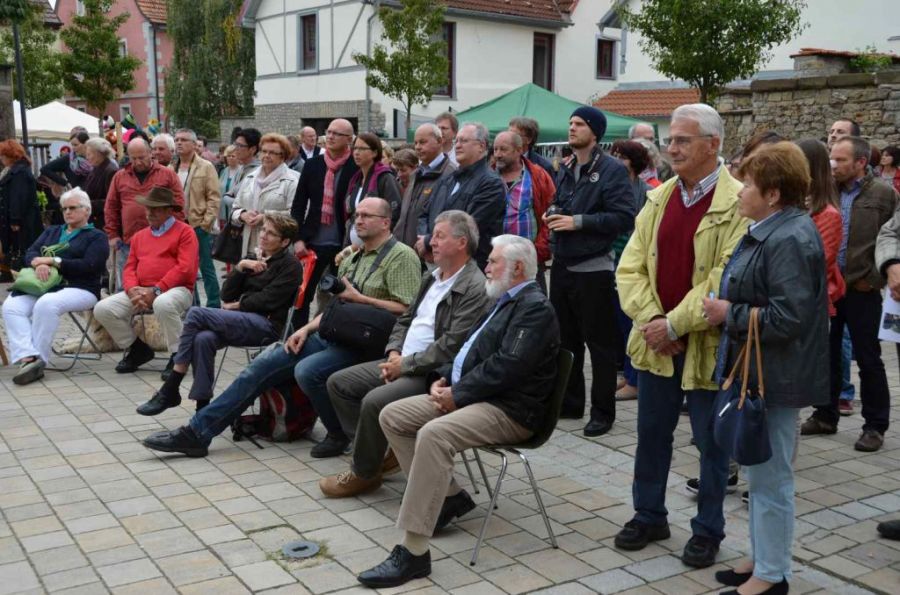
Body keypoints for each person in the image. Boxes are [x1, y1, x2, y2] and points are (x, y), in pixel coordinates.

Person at [141, 197, 421, 458]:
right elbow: (337, 307)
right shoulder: (352, 258)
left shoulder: (401, 256)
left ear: (386, 222)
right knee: (258, 367)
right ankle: (197, 433)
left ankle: (338, 433)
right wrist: (305, 329)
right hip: (334, 332)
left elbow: (409, 310)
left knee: (307, 370)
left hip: (368, 342)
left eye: (366, 216)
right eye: (356, 215)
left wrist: (362, 299)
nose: (358, 220)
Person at [355, 235, 560, 588]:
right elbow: (471, 350)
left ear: (518, 268)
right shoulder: (504, 299)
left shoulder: (534, 308)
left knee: (434, 434)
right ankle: (448, 498)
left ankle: (414, 552)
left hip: (510, 409)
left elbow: (507, 367)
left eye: (493, 261)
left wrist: (458, 394)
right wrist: (443, 379)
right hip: (477, 396)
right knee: (392, 416)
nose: (487, 267)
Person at [614, 103, 747, 569]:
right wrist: (653, 320)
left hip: (708, 346)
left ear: (713, 144)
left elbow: (724, 278)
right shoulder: (659, 197)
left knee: (712, 444)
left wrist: (672, 325)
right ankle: (649, 515)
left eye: (682, 140)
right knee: (651, 435)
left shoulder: (738, 201)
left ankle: (708, 529)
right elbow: (630, 267)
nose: (671, 148)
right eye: (670, 139)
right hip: (657, 345)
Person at [701, 142, 828, 595]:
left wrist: (727, 313)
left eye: (749, 184)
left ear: (773, 194)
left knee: (771, 477)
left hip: (776, 377)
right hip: (760, 372)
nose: (739, 191)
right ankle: (762, 557)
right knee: (759, 471)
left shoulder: (789, 237)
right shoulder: (770, 228)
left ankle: (772, 575)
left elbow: (789, 318)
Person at [319, 210, 491, 497]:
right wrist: (393, 352)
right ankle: (376, 456)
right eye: (433, 236)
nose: (431, 242)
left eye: (439, 236)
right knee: (339, 384)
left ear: (462, 242)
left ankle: (364, 472)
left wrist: (405, 365)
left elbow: (451, 344)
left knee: (374, 401)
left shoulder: (474, 286)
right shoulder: (433, 276)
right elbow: (405, 319)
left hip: (432, 373)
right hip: (402, 360)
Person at [136, 213, 302, 415]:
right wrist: (240, 268)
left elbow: (269, 300)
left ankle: (172, 385)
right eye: (263, 230)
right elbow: (226, 294)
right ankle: (202, 407)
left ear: (285, 242)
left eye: (271, 233)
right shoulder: (253, 258)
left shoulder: (291, 265)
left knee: (195, 314)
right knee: (203, 339)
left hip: (267, 326)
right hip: (243, 322)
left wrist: (238, 305)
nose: (263, 235)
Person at [800, 136, 898, 452]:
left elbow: (891, 238)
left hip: (861, 289)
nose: (834, 165)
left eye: (841, 160)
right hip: (829, 289)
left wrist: (874, 278)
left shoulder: (883, 194)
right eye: (832, 158)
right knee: (826, 354)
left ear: (860, 162)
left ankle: (875, 426)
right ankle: (824, 414)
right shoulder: (827, 191)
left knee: (869, 358)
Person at [546, 107, 634, 437]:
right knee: (566, 340)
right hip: (563, 263)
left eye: (579, 124)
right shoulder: (567, 166)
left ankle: (602, 412)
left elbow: (624, 216)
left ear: (595, 132)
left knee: (600, 344)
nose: (572, 128)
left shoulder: (611, 170)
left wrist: (578, 222)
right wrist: (553, 213)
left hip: (594, 268)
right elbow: (561, 201)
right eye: (570, 123)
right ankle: (570, 403)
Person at [2, 188, 109, 385]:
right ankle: (28, 357)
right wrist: (38, 263)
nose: (67, 212)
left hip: (81, 287)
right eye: (64, 208)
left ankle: (39, 359)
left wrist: (54, 262)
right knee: (11, 306)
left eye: (72, 208)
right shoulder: (52, 231)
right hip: (43, 285)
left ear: (86, 210)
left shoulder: (96, 236)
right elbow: (31, 252)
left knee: (46, 303)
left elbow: (90, 266)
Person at [94, 187, 198, 375]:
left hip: (177, 289)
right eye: (148, 208)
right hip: (142, 290)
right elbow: (130, 268)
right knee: (103, 308)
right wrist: (132, 289)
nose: (149, 212)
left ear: (169, 210)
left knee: (163, 303)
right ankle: (137, 349)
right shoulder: (140, 236)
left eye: (155, 208)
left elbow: (185, 268)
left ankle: (179, 355)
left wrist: (156, 290)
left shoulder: (185, 232)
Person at [290, 118, 359, 324]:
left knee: (341, 296)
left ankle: (333, 333)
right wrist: (297, 239)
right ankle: (297, 334)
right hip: (313, 241)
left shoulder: (355, 166)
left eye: (337, 133)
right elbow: (298, 205)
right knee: (302, 295)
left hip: (344, 244)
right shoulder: (313, 165)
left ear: (349, 139)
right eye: (328, 132)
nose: (330, 136)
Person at [418, 122, 506, 270]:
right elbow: (424, 213)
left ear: (482, 146)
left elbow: (470, 226)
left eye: (464, 141)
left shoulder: (491, 183)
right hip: (439, 263)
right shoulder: (448, 179)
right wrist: (425, 242)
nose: (457, 146)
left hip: (469, 267)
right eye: (456, 141)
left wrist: (429, 241)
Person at [104, 138, 185, 290]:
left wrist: (173, 234)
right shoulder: (120, 176)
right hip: (129, 241)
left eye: (141, 157)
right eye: (133, 158)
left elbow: (178, 205)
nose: (138, 162)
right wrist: (113, 234)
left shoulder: (167, 174)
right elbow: (111, 207)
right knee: (128, 285)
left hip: (161, 240)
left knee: (160, 282)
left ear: (150, 153)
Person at [609, 139, 654, 402]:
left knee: (631, 323)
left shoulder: (647, 193)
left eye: (621, 156)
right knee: (619, 325)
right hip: (613, 262)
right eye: (613, 154)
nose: (615, 160)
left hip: (635, 266)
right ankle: (628, 374)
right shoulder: (612, 186)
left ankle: (635, 381)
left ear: (634, 163)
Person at [492, 130, 554, 291]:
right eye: (495, 149)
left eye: (503, 149)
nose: (498, 154)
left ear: (519, 150)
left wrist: (538, 251)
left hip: (529, 260)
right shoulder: (488, 176)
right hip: (495, 260)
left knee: (532, 301)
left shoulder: (538, 175)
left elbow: (551, 213)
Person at [172, 128, 222, 309]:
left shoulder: (206, 166)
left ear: (194, 145)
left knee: (206, 267)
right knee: (185, 268)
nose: (179, 143)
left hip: (198, 224)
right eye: (177, 139)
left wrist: (206, 224)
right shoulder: (172, 168)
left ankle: (214, 305)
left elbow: (214, 197)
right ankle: (193, 305)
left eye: (184, 140)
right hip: (177, 225)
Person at [231, 133, 300, 257]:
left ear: (283, 156)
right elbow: (235, 208)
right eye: (264, 151)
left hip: (276, 250)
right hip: (247, 245)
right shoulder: (250, 178)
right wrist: (243, 215)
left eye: (272, 153)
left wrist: (265, 217)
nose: (267, 155)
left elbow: (296, 215)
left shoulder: (292, 181)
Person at [393, 124, 456, 250]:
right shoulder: (416, 174)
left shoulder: (450, 174)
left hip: (428, 252)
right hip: (404, 250)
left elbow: (446, 220)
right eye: (416, 143)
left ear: (439, 141)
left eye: (422, 142)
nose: (417, 147)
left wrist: (428, 244)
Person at [345, 132, 403, 244]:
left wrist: (380, 241)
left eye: (362, 149)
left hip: (377, 244)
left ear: (375, 153)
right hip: (354, 245)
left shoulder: (385, 177)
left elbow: (395, 212)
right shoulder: (355, 180)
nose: (356, 152)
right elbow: (351, 216)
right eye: (355, 148)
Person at [0, 139, 44, 278]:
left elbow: (18, 197)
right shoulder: (17, 170)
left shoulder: (20, 172)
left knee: (21, 247)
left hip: (22, 220)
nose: (1, 158)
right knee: (18, 246)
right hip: (19, 218)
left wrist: (15, 219)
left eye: (2, 155)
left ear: (10, 155)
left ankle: (21, 274)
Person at [82, 138, 118, 230]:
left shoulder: (110, 171)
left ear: (98, 154)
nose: (87, 157)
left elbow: (112, 201)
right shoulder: (96, 168)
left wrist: (87, 204)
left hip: (103, 222)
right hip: (94, 219)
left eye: (89, 154)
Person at [508, 116, 555, 182]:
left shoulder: (544, 167)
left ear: (529, 140)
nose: (509, 139)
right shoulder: (502, 162)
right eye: (508, 135)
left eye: (515, 136)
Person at [218, 145, 240, 221]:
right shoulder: (223, 171)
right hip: (222, 212)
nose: (230, 158)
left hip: (235, 212)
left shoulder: (242, 171)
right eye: (228, 156)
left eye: (233, 156)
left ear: (238, 157)